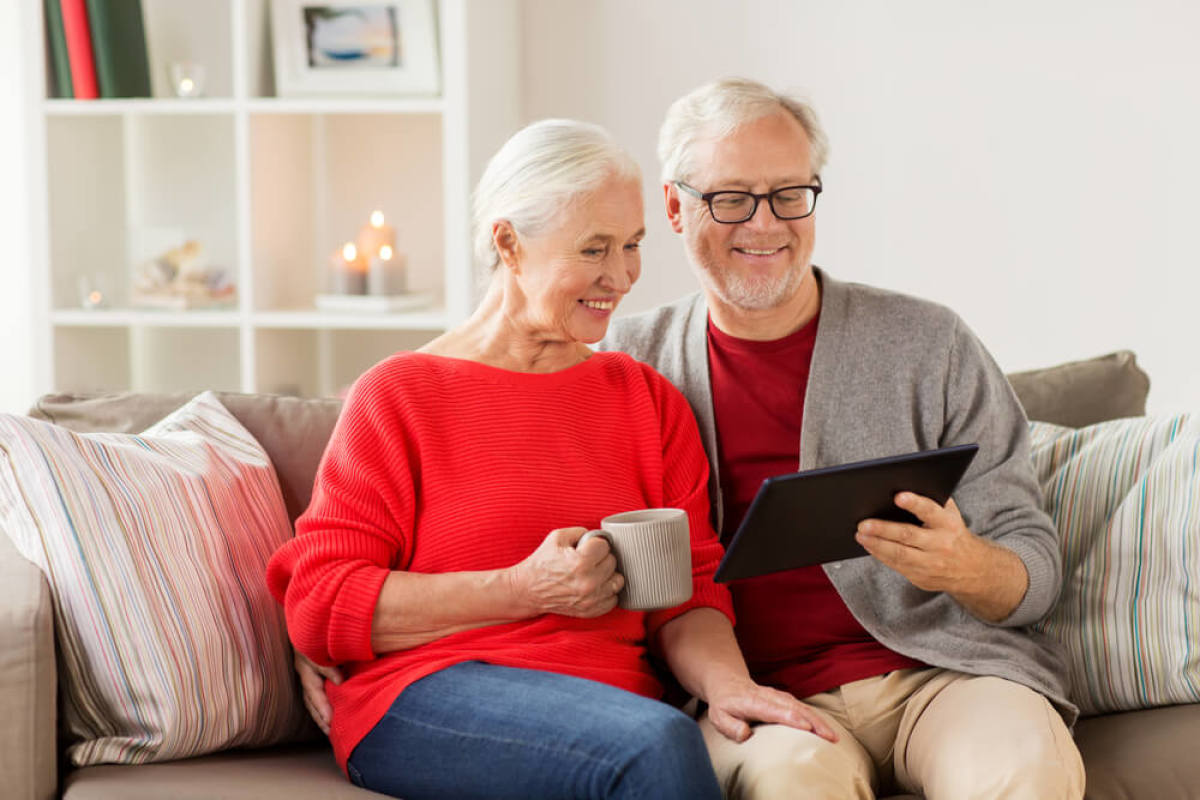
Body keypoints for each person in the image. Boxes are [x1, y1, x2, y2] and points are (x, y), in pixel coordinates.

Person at [267, 118, 834, 800]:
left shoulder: (645, 400)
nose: (621, 276)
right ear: (509, 242)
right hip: (427, 697)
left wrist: (731, 687)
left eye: (632, 245)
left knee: (657, 737)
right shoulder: (402, 394)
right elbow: (320, 603)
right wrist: (523, 588)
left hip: (612, 711)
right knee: (654, 744)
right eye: (594, 249)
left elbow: (689, 592)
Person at [595, 78, 1086, 799]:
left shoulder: (929, 342)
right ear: (675, 206)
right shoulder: (628, 364)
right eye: (731, 198)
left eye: (790, 194)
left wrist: (967, 565)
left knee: (1024, 774)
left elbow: (1033, 572)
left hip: (946, 677)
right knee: (792, 788)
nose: (765, 225)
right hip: (762, 704)